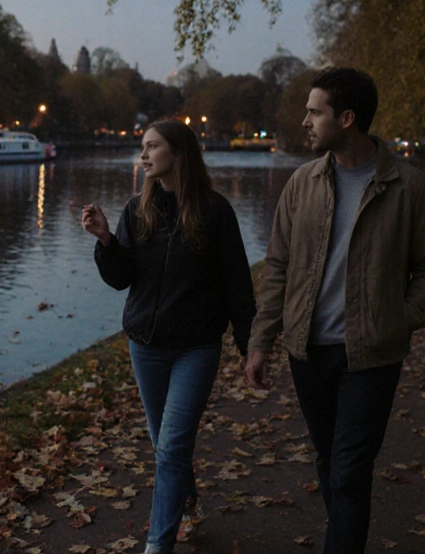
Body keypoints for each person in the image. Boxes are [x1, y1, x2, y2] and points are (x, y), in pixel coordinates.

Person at [245, 67, 425, 554]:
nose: (306, 121)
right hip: (308, 353)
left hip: (370, 356)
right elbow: (277, 266)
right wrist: (261, 341)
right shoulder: (301, 184)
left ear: (347, 118)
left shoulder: (408, 186)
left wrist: (401, 318)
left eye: (315, 112)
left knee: (350, 470)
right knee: (329, 462)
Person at [82, 119, 256, 554]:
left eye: (152, 146)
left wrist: (250, 346)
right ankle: (188, 497)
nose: (143, 155)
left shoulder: (215, 212)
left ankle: (158, 545)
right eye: (142, 147)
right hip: (146, 347)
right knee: (167, 445)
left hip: (196, 349)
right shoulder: (136, 210)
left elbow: (238, 285)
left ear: (178, 153)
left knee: (172, 446)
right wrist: (105, 240)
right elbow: (122, 279)